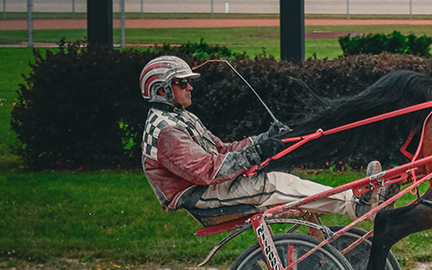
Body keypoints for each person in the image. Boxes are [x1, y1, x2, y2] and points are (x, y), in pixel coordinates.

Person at [139, 55, 388, 223]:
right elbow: (207, 171)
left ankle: (357, 200)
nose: (190, 87)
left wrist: (264, 140)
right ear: (161, 89)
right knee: (274, 185)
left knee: (282, 182)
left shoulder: (180, 118)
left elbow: (223, 150)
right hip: (198, 195)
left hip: (206, 188)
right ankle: (357, 204)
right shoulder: (166, 130)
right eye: (182, 83)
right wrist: (258, 152)